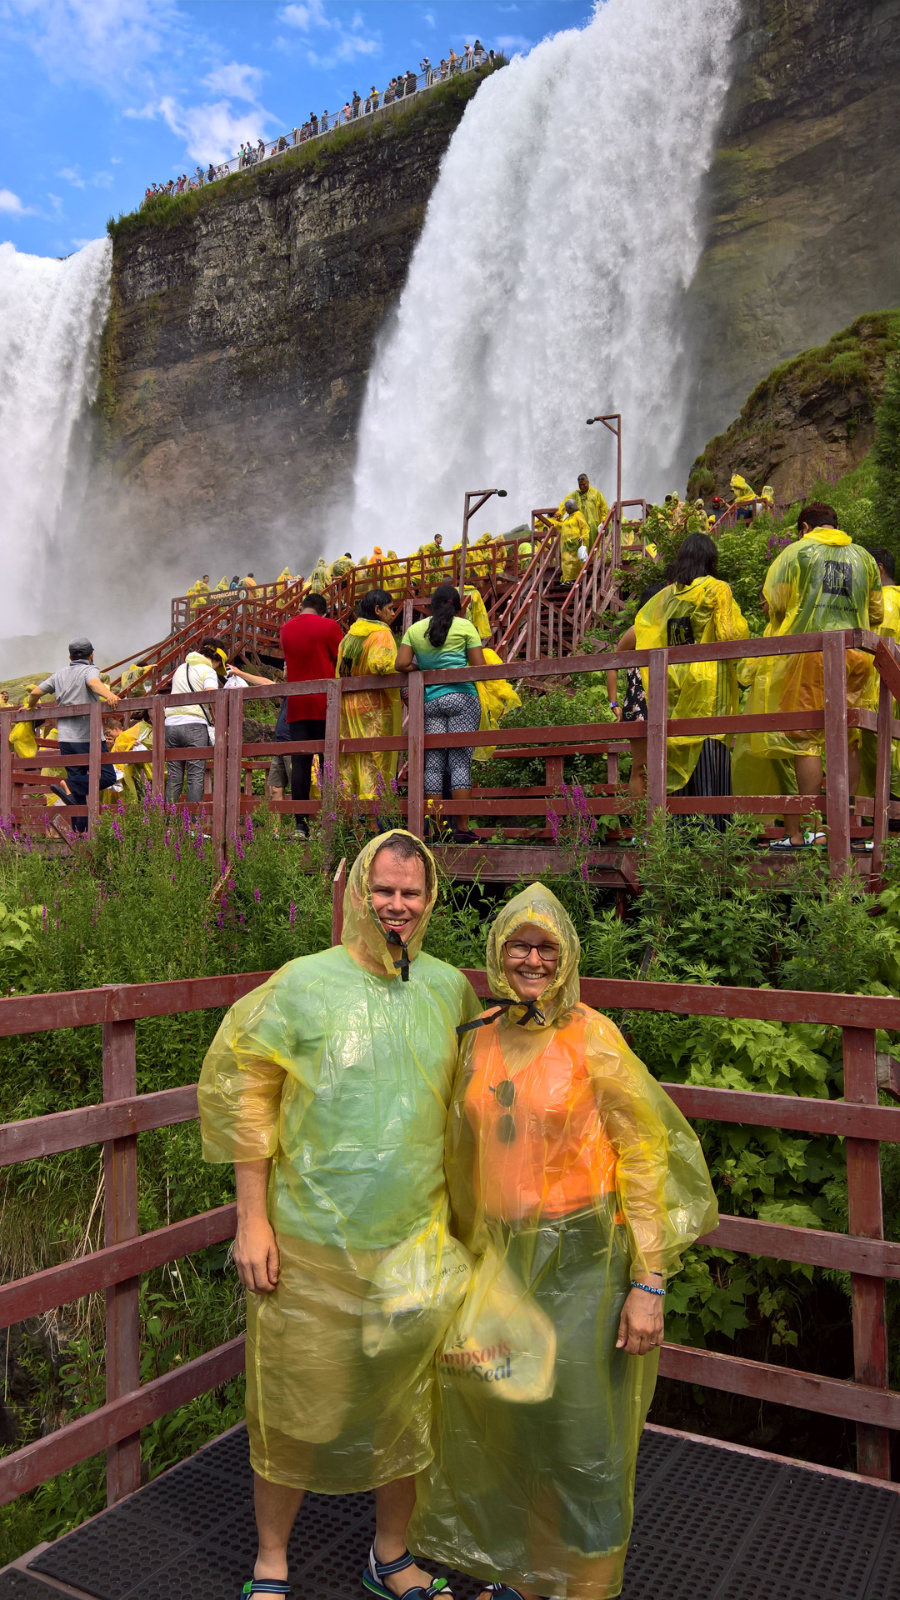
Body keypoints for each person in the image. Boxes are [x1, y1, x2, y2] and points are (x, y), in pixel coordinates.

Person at [409, 883, 717, 1600]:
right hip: (499, 1259)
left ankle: (580, 1585)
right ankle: (525, 1575)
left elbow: (645, 1157)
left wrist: (648, 1282)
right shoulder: (478, 1036)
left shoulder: (594, 1037)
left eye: (547, 947)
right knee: (509, 1421)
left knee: (580, 1441)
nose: (532, 959)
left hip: (584, 1263)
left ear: (569, 955)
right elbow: (456, 1151)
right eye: (519, 944)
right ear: (497, 952)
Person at [197, 830, 481, 1599]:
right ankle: (271, 1561)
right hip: (311, 1242)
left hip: (414, 1240)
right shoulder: (303, 984)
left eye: (411, 893)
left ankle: (391, 1555)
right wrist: (250, 1219)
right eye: (383, 890)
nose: (397, 905)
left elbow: (476, 1104)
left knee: (407, 1407)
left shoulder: (449, 989)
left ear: (430, 902)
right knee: (294, 1404)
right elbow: (247, 1096)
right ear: (358, 893)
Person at [753, 503, 883, 848]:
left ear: (805, 527)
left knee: (804, 738)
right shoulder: (864, 558)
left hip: (813, 655)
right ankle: (846, 825)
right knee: (849, 738)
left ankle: (812, 829)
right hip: (858, 656)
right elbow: (876, 613)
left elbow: (776, 604)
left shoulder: (797, 552)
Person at [633, 534, 749, 827]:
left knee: (678, 752)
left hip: (673, 682)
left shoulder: (668, 595)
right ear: (711, 560)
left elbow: (647, 631)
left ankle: (676, 833)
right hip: (710, 687)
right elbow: (729, 636)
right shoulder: (716, 589)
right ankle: (713, 834)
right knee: (709, 755)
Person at [396, 583, 485, 844]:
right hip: (462, 699)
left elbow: (400, 664)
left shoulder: (415, 630)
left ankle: (436, 830)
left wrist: (422, 669)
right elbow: (479, 666)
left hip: (430, 702)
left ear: (432, 607)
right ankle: (462, 828)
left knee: (433, 764)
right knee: (459, 763)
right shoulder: (466, 627)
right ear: (458, 606)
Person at [26, 639, 120, 833]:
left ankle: (80, 833)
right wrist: (109, 695)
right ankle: (70, 785)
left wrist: (31, 706)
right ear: (91, 655)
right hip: (89, 737)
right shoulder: (90, 670)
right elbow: (94, 684)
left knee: (76, 793)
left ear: (70, 657)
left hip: (66, 739)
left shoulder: (59, 675)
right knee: (108, 776)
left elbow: (35, 692)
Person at [280, 593, 344, 833]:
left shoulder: (285, 629)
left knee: (301, 764)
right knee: (329, 762)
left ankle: (300, 824)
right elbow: (341, 660)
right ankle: (329, 820)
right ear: (324, 611)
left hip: (297, 705)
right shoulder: (329, 626)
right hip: (325, 703)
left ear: (301, 606)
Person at [606, 577, 670, 802]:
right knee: (641, 766)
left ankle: (663, 824)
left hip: (666, 699)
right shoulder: (638, 630)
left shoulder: (669, 627)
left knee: (667, 765)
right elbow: (612, 664)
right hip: (639, 703)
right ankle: (640, 827)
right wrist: (614, 703)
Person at [337, 590, 402, 803]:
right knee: (373, 759)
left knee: (350, 759)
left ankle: (348, 817)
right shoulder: (381, 634)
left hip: (347, 706)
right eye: (391, 609)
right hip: (373, 705)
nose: (394, 614)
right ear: (377, 610)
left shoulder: (349, 636)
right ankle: (373, 821)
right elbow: (380, 665)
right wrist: (407, 666)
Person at [859, 545, 900, 816]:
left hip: (879, 684)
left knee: (883, 747)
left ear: (879, 569)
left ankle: (890, 810)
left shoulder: (884, 601)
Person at [163, 638, 221, 805]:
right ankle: (193, 826)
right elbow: (211, 694)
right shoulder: (208, 670)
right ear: (215, 658)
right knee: (195, 776)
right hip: (194, 725)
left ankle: (168, 824)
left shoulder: (180, 668)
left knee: (174, 777)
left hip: (171, 725)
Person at [557, 473, 610, 550]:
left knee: (594, 543)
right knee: (582, 543)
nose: (582, 487)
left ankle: (593, 559)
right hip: (579, 524)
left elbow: (603, 507)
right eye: (580, 485)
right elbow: (565, 502)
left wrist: (604, 520)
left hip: (593, 524)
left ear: (588, 482)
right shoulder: (575, 494)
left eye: (584, 484)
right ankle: (583, 561)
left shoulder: (596, 493)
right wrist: (559, 512)